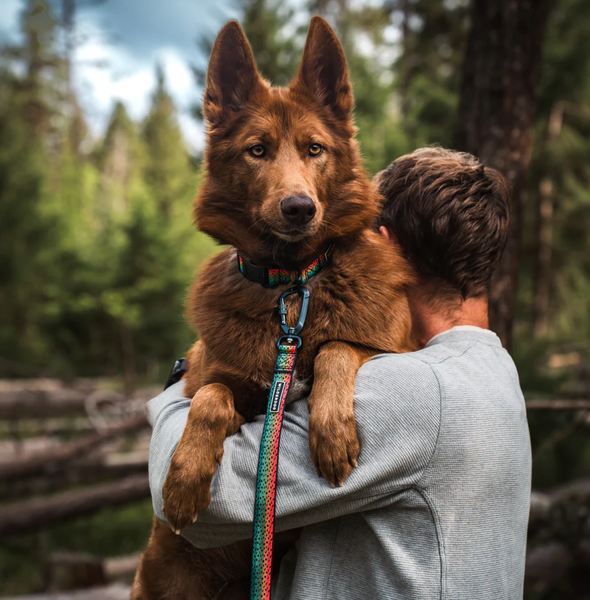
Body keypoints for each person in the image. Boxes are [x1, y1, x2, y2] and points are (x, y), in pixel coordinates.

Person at [146, 147, 532, 599]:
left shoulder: (410, 391)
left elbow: (211, 509)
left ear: (382, 243)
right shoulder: (496, 372)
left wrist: (177, 391)